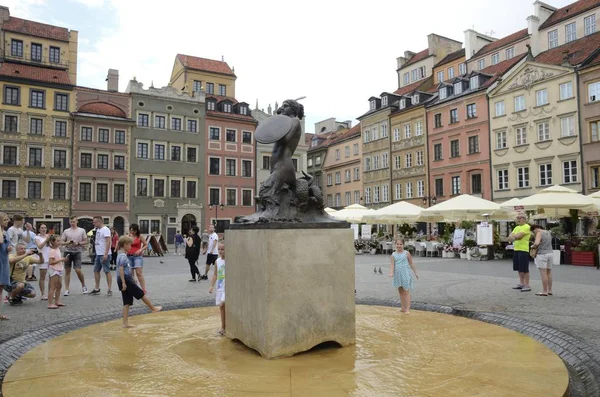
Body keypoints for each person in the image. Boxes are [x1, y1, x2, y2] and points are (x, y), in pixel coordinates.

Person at [116, 236, 162, 328]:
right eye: (130, 245)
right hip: (125, 279)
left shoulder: (121, 256)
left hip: (124, 279)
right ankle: (152, 308)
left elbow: (124, 269)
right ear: (125, 245)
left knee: (127, 302)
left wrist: (131, 278)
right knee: (140, 293)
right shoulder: (123, 256)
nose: (131, 247)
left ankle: (125, 323)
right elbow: (121, 269)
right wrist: (124, 282)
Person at [388, 239, 419, 314]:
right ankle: (403, 307)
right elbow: (392, 265)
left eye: (400, 244)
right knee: (400, 292)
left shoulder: (406, 253)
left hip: (405, 274)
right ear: (395, 245)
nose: (399, 246)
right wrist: (391, 273)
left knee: (406, 291)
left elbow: (411, 263)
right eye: (397, 244)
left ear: (403, 245)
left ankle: (408, 308)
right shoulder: (393, 255)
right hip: (397, 274)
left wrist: (415, 272)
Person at [61, 216, 89, 296]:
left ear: (77, 222)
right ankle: (67, 289)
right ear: (69, 222)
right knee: (67, 270)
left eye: (74, 221)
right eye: (71, 222)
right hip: (68, 251)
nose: (72, 223)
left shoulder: (81, 230)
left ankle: (83, 285)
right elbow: (62, 241)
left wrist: (78, 243)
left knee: (78, 270)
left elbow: (86, 241)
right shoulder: (66, 231)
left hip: (77, 251)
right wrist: (68, 242)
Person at [508, 213, 532, 292]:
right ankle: (521, 283)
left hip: (523, 250)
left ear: (524, 219)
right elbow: (509, 237)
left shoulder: (527, 227)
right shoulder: (516, 227)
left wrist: (515, 236)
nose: (518, 219)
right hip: (516, 249)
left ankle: (527, 285)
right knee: (518, 268)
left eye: (520, 217)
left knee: (524, 268)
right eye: (517, 218)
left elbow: (519, 236)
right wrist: (514, 236)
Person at [90, 216, 112, 296]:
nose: (93, 223)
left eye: (95, 222)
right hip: (98, 253)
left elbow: (108, 242)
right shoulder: (97, 230)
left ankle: (109, 289)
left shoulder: (105, 229)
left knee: (107, 271)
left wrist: (106, 254)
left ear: (99, 222)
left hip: (104, 253)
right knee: (96, 270)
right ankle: (97, 288)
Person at [530, 225, 554, 296]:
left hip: (542, 254)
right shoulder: (548, 232)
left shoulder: (539, 233)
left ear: (536, 229)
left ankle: (544, 291)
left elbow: (537, 243)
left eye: (533, 231)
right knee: (549, 272)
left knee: (543, 273)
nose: (534, 233)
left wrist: (532, 246)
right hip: (550, 253)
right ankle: (550, 290)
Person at [209, 242, 226, 335]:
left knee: (222, 305)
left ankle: (223, 327)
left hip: (226, 288)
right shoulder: (217, 261)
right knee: (222, 308)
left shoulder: (229, 261)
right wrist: (211, 285)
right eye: (219, 249)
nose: (220, 251)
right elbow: (215, 274)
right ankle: (223, 325)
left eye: (222, 249)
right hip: (219, 287)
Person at [47, 235, 68, 309]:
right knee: (53, 286)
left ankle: (57, 301)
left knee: (59, 286)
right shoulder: (52, 251)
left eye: (59, 241)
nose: (59, 242)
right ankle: (50, 303)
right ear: (52, 242)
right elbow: (51, 262)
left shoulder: (57, 249)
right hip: (54, 269)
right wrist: (61, 260)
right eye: (57, 241)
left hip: (59, 269)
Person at [127, 223, 147, 292]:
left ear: (136, 230)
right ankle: (134, 287)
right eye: (131, 230)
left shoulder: (140, 236)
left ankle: (143, 289)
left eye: (133, 230)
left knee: (139, 272)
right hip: (129, 256)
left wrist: (140, 249)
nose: (132, 232)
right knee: (130, 273)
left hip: (137, 256)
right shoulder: (128, 236)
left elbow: (146, 245)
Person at [35, 224, 51, 300]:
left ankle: (50, 293)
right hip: (43, 259)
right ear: (39, 229)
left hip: (51, 258)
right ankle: (43, 294)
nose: (44, 229)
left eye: (45, 227)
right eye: (42, 228)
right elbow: (39, 246)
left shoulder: (49, 236)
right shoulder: (37, 237)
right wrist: (46, 240)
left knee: (52, 276)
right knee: (42, 277)